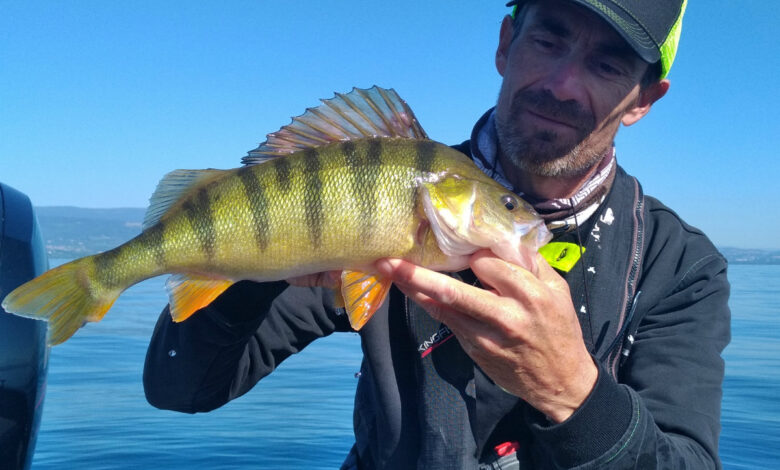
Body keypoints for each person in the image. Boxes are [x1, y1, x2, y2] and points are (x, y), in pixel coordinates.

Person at [143, 1, 731, 468]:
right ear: (505, 45)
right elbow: (181, 387)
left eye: (607, 65)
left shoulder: (679, 267)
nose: (562, 83)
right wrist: (260, 266)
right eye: (548, 39)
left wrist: (574, 392)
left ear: (644, 100)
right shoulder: (388, 198)